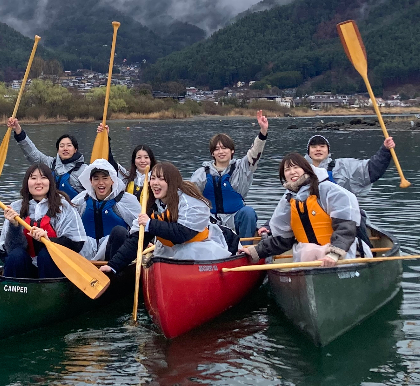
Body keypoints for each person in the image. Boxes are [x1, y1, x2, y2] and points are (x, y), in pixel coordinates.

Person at [101, 161, 233, 276]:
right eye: (152, 178)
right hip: (170, 253)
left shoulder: (189, 201)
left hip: (198, 249)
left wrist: (150, 224)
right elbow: (137, 239)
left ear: (171, 182)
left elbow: (183, 233)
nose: (155, 183)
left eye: (161, 179)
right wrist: (113, 265)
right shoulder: (153, 205)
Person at [241, 152, 370, 267]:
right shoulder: (288, 200)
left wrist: (334, 254)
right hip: (307, 258)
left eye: (296, 167)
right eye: (287, 169)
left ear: (306, 169)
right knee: (307, 251)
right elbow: (282, 240)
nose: (292, 172)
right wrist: (255, 251)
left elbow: (346, 228)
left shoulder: (328, 190)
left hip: (342, 255)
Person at [188, 111, 270, 239]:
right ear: (212, 154)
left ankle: (246, 247)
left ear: (232, 151)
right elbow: (188, 196)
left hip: (235, 218)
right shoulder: (201, 173)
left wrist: (263, 132)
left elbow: (255, 152)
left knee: (249, 212)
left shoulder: (243, 167)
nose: (221, 152)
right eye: (216, 149)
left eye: (224, 148)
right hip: (210, 220)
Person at [0, 162, 88, 279]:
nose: (38, 182)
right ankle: (14, 292)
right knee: (16, 256)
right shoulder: (16, 208)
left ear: (50, 182)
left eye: (43, 178)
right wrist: (14, 227)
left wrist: (49, 240)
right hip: (26, 268)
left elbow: (76, 244)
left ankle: (49, 292)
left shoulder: (63, 207)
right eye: (33, 178)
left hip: (54, 268)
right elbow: (9, 249)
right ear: (27, 183)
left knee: (46, 254)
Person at [6, 117, 103, 201]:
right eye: (62, 146)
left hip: (75, 214)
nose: (65, 148)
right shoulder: (50, 164)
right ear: (58, 150)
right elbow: (32, 153)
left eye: (69, 145)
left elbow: (100, 189)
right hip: (51, 212)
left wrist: (104, 137)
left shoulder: (85, 170)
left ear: (75, 149)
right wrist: (18, 130)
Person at [70, 158, 142, 263]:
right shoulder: (81, 200)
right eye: (96, 179)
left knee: (120, 232)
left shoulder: (126, 200)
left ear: (112, 180)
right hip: (86, 254)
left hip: (115, 253)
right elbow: (67, 224)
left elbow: (140, 226)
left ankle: (115, 272)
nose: (101, 183)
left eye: (105, 178)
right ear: (90, 181)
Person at [304, 134, 396, 198]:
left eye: (322, 146)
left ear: (328, 150)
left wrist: (385, 150)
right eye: (314, 147)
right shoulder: (298, 170)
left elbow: (371, 169)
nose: (318, 149)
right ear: (308, 152)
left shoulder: (342, 167)